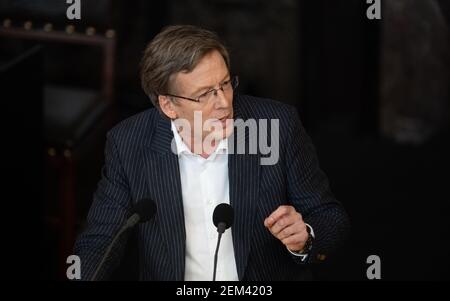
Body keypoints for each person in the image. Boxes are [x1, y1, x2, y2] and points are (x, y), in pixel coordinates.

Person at [74, 25, 350, 281]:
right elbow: (101, 240)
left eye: (225, 84)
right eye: (204, 94)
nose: (223, 103)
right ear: (169, 105)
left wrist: (305, 238)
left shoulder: (276, 126)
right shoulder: (128, 143)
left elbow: (329, 216)